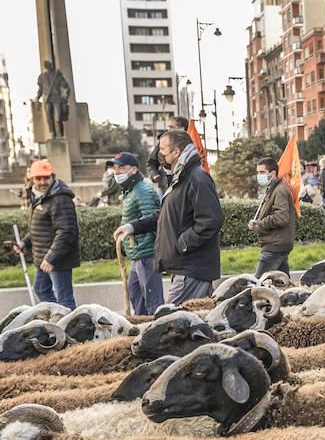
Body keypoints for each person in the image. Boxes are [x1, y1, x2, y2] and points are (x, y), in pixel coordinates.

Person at [115, 128, 224, 304]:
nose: (160, 154)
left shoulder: (197, 178)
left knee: (172, 323)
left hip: (191, 268)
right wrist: (133, 226)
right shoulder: (180, 178)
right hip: (184, 267)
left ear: (176, 153)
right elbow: (165, 215)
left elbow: (211, 221)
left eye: (163, 150)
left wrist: (182, 244)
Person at [14, 159, 79, 309]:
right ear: (32, 179)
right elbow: (41, 229)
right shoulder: (40, 197)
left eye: (46, 178)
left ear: (53, 177)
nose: (42, 182)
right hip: (44, 257)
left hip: (58, 258)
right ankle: (58, 318)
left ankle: (70, 327)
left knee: (64, 298)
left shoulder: (60, 199)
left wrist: (51, 258)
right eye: (38, 178)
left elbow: (67, 231)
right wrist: (25, 242)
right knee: (41, 289)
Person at [107, 151, 163, 316]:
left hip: (146, 254)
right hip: (138, 255)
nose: (116, 172)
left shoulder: (142, 190)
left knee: (153, 304)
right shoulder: (131, 190)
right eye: (115, 168)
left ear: (133, 170)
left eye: (121, 167)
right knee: (136, 296)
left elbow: (154, 220)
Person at [249, 156, 296, 278]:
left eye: (262, 172)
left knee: (258, 283)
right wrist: (256, 223)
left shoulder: (279, 190)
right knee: (283, 284)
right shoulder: (272, 189)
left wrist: (260, 223)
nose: (259, 175)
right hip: (277, 243)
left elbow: (281, 218)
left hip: (275, 245)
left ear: (273, 173)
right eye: (257, 172)